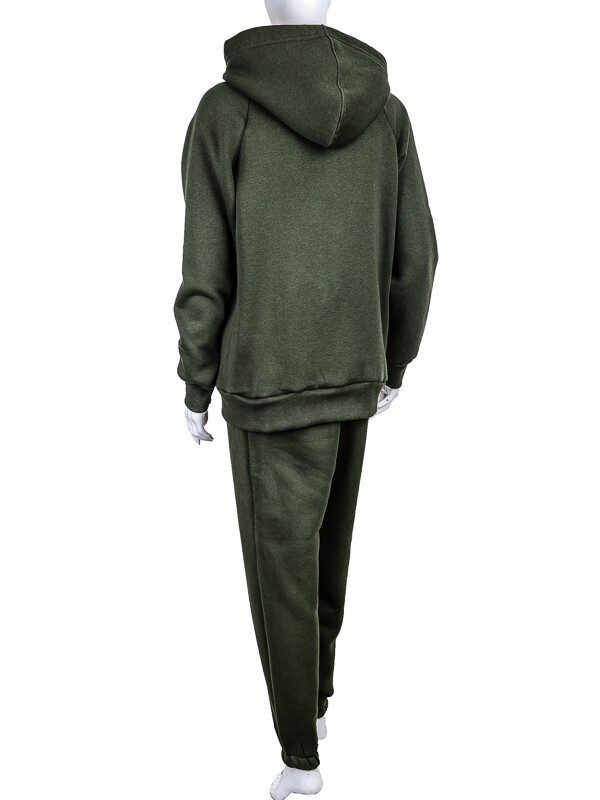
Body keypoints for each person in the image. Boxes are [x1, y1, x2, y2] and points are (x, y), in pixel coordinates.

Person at [173, 1, 438, 796]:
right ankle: (315, 703)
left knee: (281, 573)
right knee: (327, 552)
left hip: (267, 378)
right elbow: (419, 255)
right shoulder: (387, 112)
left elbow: (205, 267)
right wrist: (395, 359)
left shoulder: (224, 112)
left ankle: (300, 760)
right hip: (356, 367)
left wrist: (194, 381)